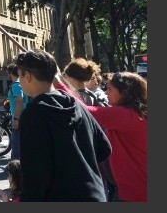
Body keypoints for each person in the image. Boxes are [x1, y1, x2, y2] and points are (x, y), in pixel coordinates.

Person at [14, 50, 110, 201]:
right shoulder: (77, 105)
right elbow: (104, 149)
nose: (19, 81)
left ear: (28, 76)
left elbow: (35, 175)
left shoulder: (33, 114)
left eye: (20, 76)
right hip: (94, 194)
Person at [58, 71, 147, 202]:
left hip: (134, 192)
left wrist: (57, 83)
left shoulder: (125, 115)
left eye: (110, 89)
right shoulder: (134, 113)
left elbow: (84, 111)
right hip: (130, 188)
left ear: (125, 92)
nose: (105, 93)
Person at [6, 62, 27, 160]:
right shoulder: (21, 83)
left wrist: (16, 118)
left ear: (10, 73)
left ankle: (16, 167)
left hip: (20, 117)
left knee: (16, 144)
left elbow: (19, 100)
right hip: (23, 116)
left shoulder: (16, 85)